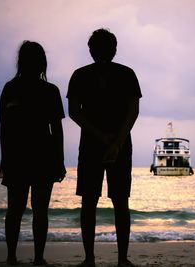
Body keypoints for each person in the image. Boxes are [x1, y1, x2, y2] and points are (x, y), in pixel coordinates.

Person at [67, 29, 142, 267]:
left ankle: (89, 259)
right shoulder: (127, 74)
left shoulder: (79, 75)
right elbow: (133, 112)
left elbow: (74, 113)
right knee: (120, 202)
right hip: (119, 145)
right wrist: (117, 141)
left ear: (90, 50)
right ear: (114, 49)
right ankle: (122, 259)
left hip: (91, 144)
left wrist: (101, 137)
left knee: (89, 202)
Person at [0, 41, 66, 265]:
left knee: (15, 210)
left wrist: (4, 157)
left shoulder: (11, 88)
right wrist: (61, 160)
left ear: (20, 61)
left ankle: (11, 256)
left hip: (17, 155)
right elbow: (56, 130)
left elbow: (5, 128)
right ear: (42, 63)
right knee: (39, 211)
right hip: (43, 156)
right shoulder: (50, 90)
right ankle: (38, 257)